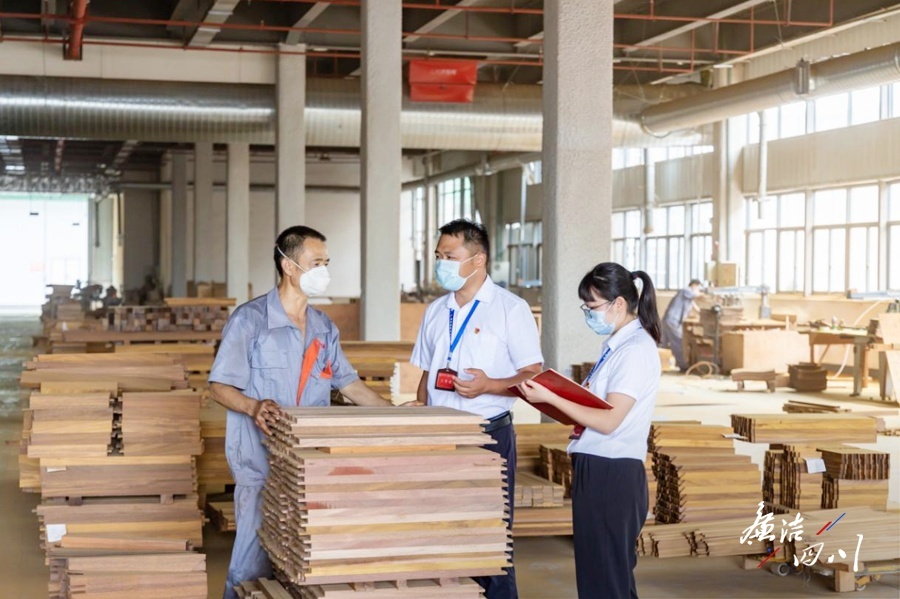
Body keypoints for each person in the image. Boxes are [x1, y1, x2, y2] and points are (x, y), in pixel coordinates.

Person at [208, 225, 395, 599]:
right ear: (288, 266)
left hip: (309, 465)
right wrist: (252, 406)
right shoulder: (250, 321)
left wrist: (397, 413)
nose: (324, 270)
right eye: (316, 262)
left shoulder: (324, 327)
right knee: (252, 565)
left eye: (326, 262)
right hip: (261, 465)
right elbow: (219, 386)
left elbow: (349, 384)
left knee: (303, 564)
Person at [410, 219, 543, 599]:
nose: (441, 264)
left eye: (450, 257)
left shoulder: (510, 309)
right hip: (439, 437)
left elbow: (533, 374)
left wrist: (490, 385)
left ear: (478, 259)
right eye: (438, 256)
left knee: (491, 535)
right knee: (444, 531)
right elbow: (427, 372)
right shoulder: (436, 310)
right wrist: (419, 409)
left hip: (487, 436)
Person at [517, 263, 662, 599]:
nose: (588, 314)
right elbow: (597, 408)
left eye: (592, 307)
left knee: (604, 579)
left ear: (619, 304)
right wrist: (558, 397)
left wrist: (552, 397)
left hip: (611, 474)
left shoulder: (635, 350)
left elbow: (609, 421)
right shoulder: (617, 345)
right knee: (604, 576)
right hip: (598, 468)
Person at [660, 279, 702, 371]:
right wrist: (702, 293)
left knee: (662, 344)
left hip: (668, 320)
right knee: (679, 342)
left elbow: (696, 307)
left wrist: (702, 313)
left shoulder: (688, 297)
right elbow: (696, 295)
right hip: (673, 321)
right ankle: (683, 366)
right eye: (698, 287)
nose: (698, 290)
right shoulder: (686, 290)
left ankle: (657, 365)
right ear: (694, 285)